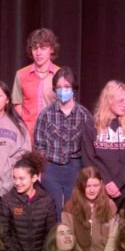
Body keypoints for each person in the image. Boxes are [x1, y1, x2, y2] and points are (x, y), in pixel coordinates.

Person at [0, 152, 57, 251]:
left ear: (34, 178)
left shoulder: (47, 200)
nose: (17, 182)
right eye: (14, 178)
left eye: (21, 178)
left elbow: (51, 235)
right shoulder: (7, 200)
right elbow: (4, 235)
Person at [34, 67, 91, 217]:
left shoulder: (84, 114)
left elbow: (90, 146)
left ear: (74, 88)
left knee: (73, 209)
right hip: (51, 167)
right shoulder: (45, 114)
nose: (62, 91)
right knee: (53, 209)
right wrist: (40, 170)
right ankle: (54, 239)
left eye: (66, 87)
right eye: (59, 87)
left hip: (75, 166)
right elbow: (39, 145)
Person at [82, 80, 125, 202]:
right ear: (109, 100)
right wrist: (106, 181)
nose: (124, 105)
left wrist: (118, 182)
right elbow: (89, 158)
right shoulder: (91, 125)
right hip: (100, 185)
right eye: (121, 101)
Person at [12, 27, 61, 140]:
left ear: (51, 49)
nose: (38, 53)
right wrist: (25, 126)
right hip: (28, 136)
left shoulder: (60, 75)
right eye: (35, 48)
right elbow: (17, 104)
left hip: (54, 135)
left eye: (43, 48)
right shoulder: (21, 74)